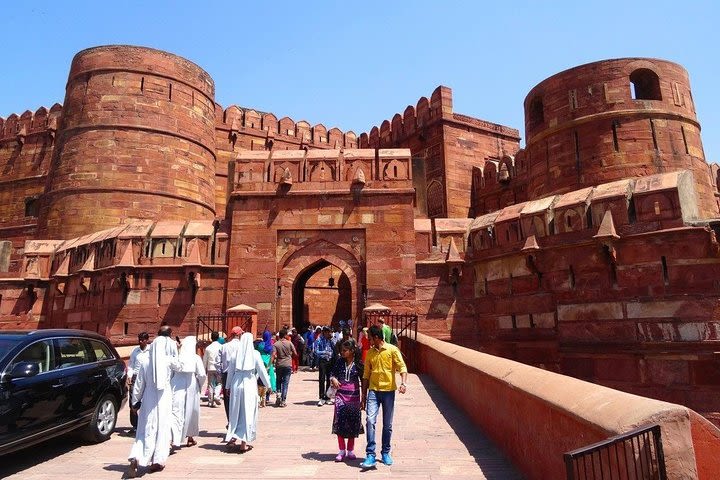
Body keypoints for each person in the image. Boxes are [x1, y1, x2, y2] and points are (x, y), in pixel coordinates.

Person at [127, 326, 180, 477]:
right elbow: (180, 366)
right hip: (164, 397)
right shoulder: (169, 361)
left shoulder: (144, 361)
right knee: (162, 430)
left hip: (149, 398)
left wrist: (135, 403)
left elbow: (138, 386)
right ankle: (157, 461)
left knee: (145, 429)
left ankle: (137, 457)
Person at [360, 325, 408, 469]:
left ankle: (386, 452)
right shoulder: (370, 353)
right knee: (369, 420)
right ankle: (370, 454)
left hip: (388, 391)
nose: (368, 340)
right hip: (374, 391)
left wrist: (403, 383)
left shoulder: (392, 350)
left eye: (370, 338)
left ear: (376, 338)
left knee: (387, 425)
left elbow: (402, 367)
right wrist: (363, 396)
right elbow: (366, 375)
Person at [225, 332, 271, 453]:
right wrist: (268, 385)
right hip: (249, 383)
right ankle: (243, 443)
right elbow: (261, 371)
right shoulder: (255, 354)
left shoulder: (235, 354)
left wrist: (227, 386)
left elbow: (230, 372)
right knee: (248, 412)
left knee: (235, 412)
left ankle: (233, 436)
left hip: (236, 383)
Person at [329, 339, 364, 462]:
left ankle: (350, 450)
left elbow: (364, 380)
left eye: (345, 351)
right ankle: (341, 450)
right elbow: (332, 373)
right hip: (340, 397)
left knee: (352, 423)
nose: (342, 353)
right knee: (340, 421)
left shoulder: (359, 364)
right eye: (341, 351)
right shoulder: (339, 362)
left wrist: (363, 398)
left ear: (352, 351)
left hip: (354, 398)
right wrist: (333, 379)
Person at [170, 336, 206, 449]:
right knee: (191, 411)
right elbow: (202, 375)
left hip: (176, 384)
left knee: (176, 411)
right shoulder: (195, 358)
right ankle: (190, 437)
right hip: (191, 384)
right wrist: (199, 386)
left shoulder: (177, 357)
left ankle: (173, 438)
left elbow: (171, 372)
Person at [216, 326, 243, 421]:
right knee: (239, 399)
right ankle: (238, 421)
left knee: (227, 399)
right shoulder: (242, 346)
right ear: (239, 335)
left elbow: (217, 362)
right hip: (239, 375)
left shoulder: (224, 346)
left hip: (226, 374)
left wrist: (219, 374)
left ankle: (230, 420)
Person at [127, 332, 150, 433]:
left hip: (147, 378)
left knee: (147, 402)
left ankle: (146, 425)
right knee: (133, 403)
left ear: (147, 340)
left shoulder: (151, 351)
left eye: (142, 340)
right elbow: (131, 364)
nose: (140, 341)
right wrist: (129, 375)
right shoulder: (135, 351)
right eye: (139, 339)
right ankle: (135, 426)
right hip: (135, 378)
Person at [272, 328, 297, 407]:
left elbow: (273, 354)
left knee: (278, 381)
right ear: (285, 335)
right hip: (287, 365)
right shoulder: (289, 343)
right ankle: (283, 400)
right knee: (285, 383)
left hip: (279, 364)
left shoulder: (276, 344)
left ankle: (278, 395)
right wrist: (290, 354)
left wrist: (270, 364)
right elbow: (295, 353)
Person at [202, 331, 223, 408]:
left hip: (210, 368)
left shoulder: (208, 348)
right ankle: (217, 396)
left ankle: (210, 401)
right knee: (219, 383)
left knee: (210, 384)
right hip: (219, 368)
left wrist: (204, 369)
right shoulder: (221, 347)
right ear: (218, 338)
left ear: (211, 338)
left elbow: (205, 360)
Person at [315, 326, 334, 406]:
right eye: (328, 332)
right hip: (322, 361)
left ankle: (327, 397)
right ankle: (321, 397)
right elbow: (315, 351)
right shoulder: (319, 340)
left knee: (329, 379)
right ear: (324, 332)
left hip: (329, 361)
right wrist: (324, 352)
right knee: (322, 379)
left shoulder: (330, 340)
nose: (329, 334)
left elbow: (333, 349)